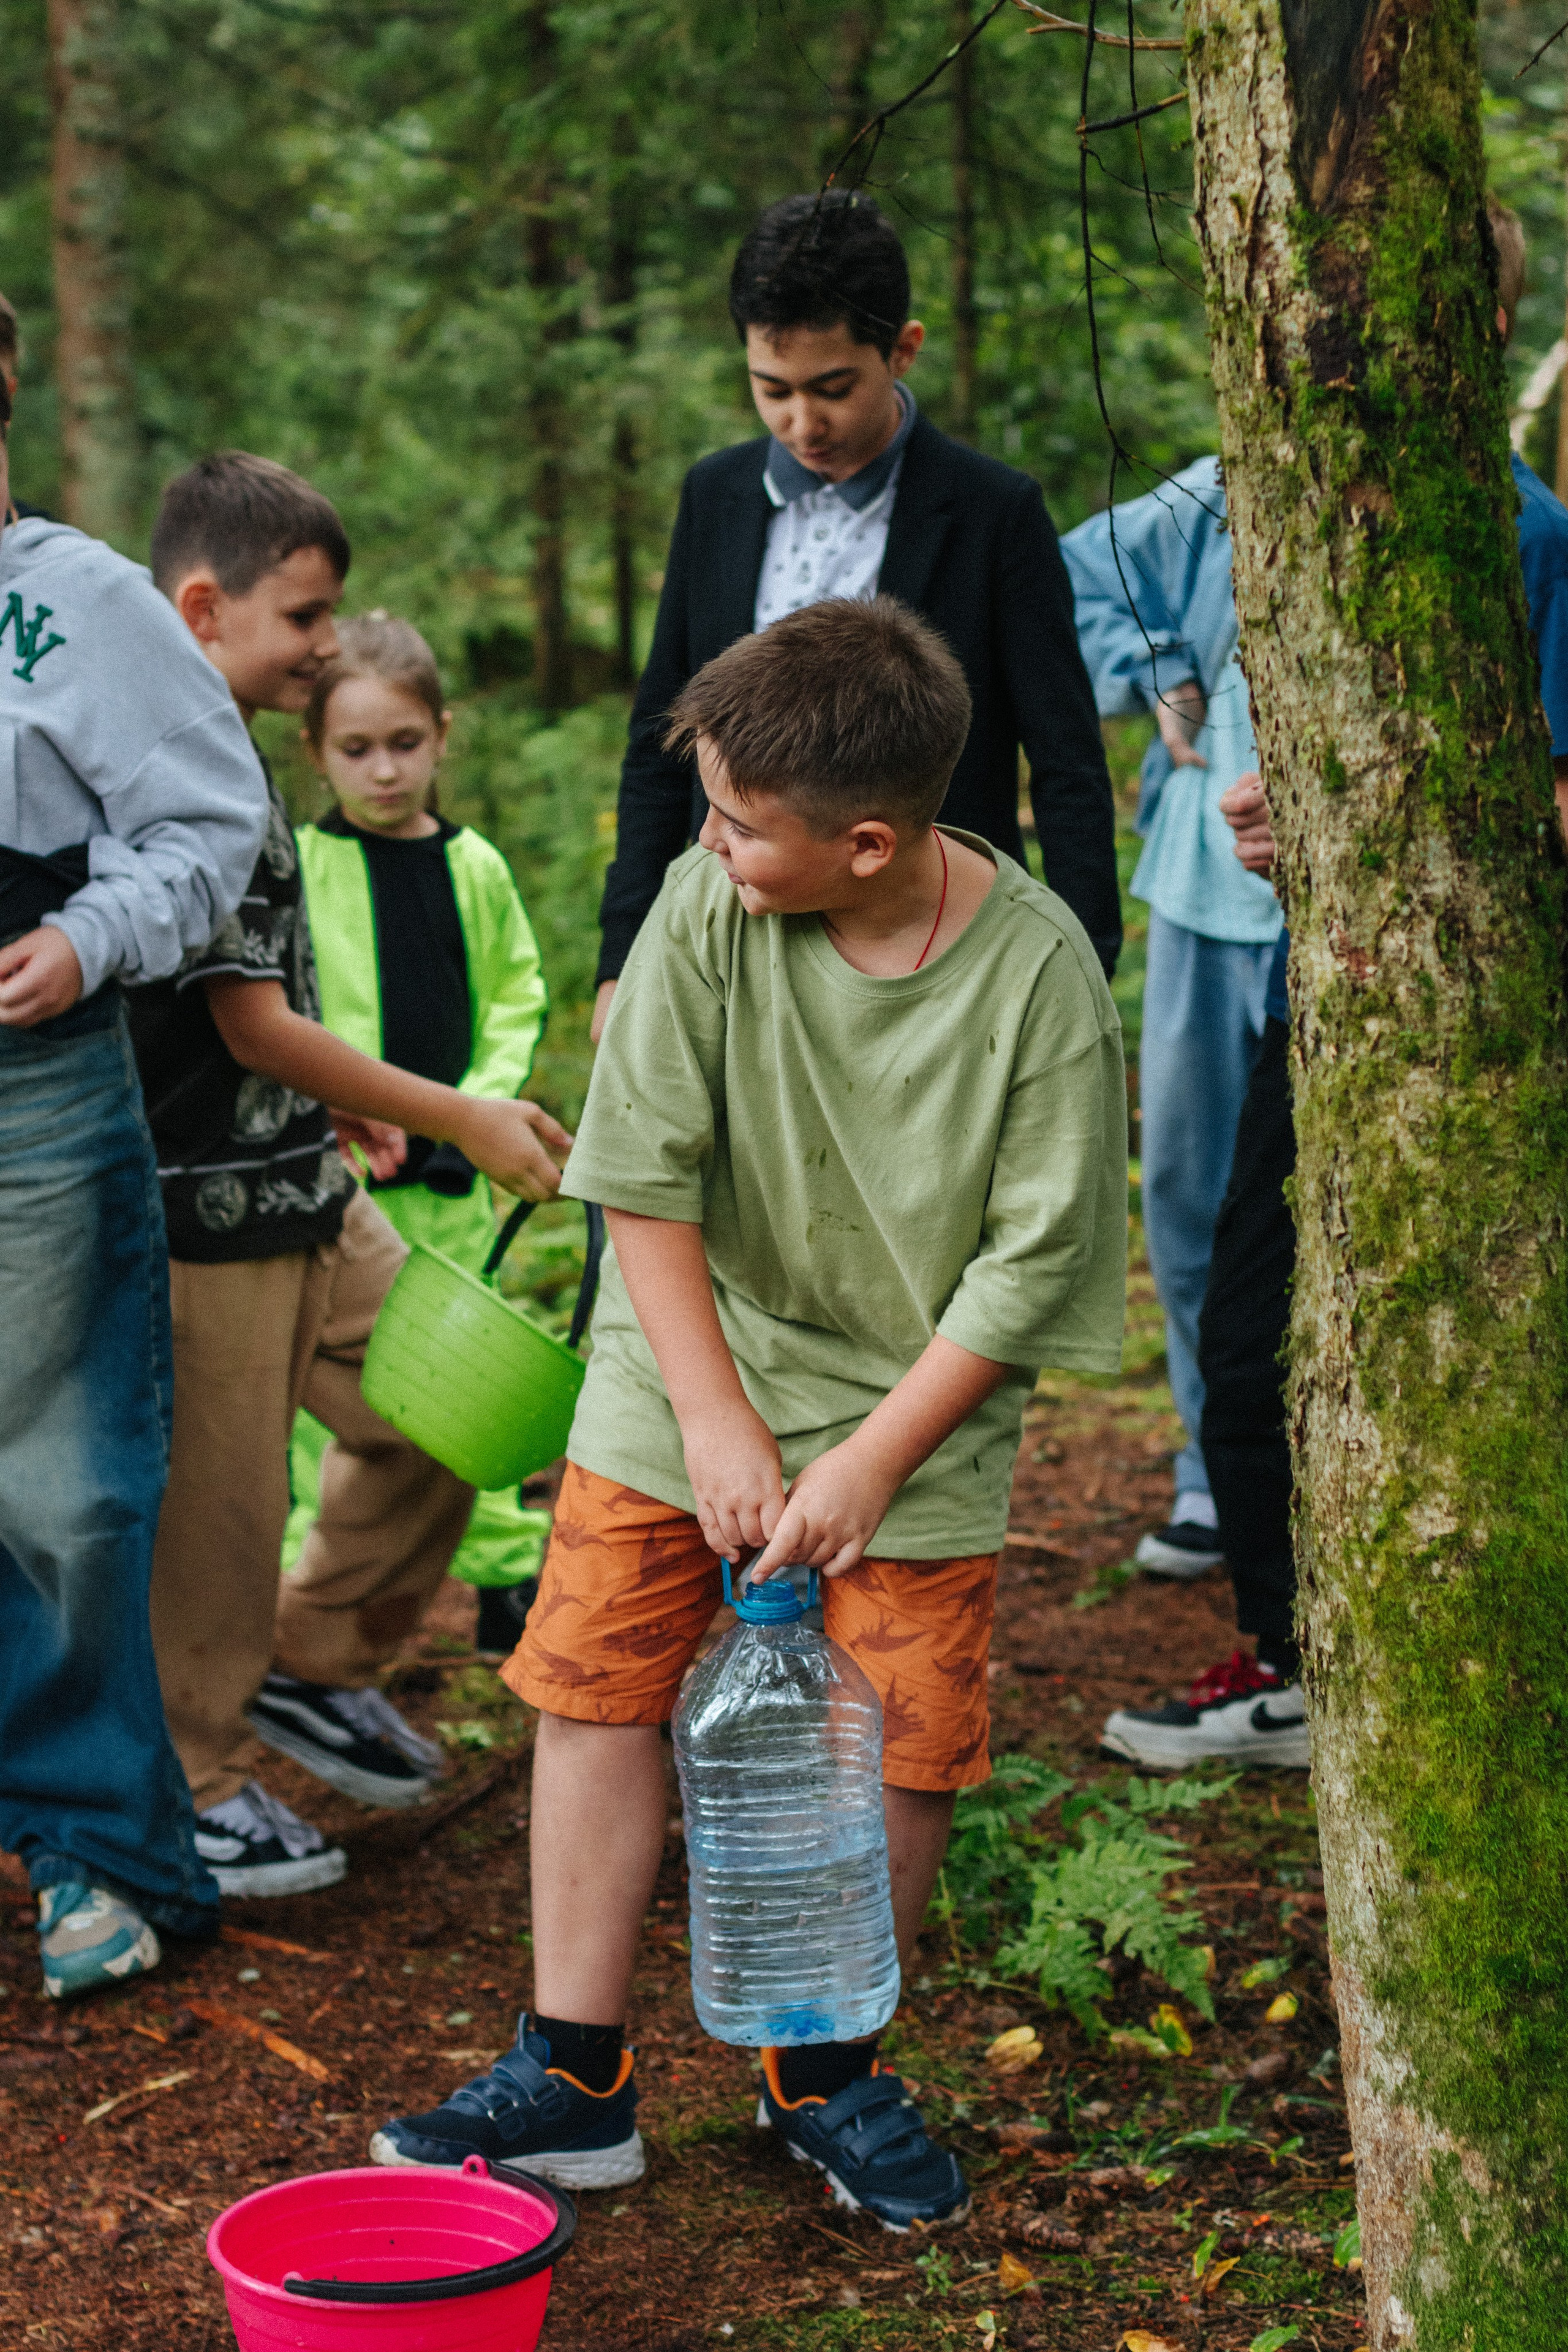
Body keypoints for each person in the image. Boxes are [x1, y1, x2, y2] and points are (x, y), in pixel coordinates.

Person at [371, 597, 1127, 2228]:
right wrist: (713, 1423)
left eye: (737, 825)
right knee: (593, 1668)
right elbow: (639, 1178)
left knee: (905, 1735)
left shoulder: (1039, 978)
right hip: (689, 1344)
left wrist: (867, 1461)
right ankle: (573, 2073)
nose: (706, 846)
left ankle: (826, 2068)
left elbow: (1034, 1265)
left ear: (869, 842)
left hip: (916, 1392)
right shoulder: (710, 913)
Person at [1101, 196, 1568, 1770]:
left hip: (1464, 1022)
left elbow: (1547, 795)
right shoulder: (1278, 505)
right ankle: (1288, 1652)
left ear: (1485, 326)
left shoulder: (1525, 538)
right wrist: (1268, 795)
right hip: (1313, 984)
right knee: (1244, 1325)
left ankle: (1377, 1668)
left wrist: (1357, 829)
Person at [132, 453, 572, 1896]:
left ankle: (306, 1661)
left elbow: (276, 1014)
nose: (328, 647)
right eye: (305, 618)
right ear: (205, 607)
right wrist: (462, 1112)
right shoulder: (164, 750)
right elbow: (241, 1019)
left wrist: (346, 1115)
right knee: (224, 1508)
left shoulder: (232, 739)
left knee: (457, 1419)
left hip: (313, 1182)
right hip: (212, 1213)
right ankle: (193, 1781)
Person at [592, 189, 1121, 1038]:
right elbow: (660, 742)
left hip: (931, 948)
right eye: (773, 390)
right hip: (737, 932)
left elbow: (1065, 762)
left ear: (902, 350)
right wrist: (622, 960)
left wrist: (1084, 965)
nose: (803, 423)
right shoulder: (716, 495)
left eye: (833, 388)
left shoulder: (995, 512)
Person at [0, 377, 268, 1996]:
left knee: (66, 1486)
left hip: (31, 1082)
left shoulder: (82, 605)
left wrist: (86, 938)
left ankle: (94, 1849)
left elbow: (208, 821)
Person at [285, 614, 553, 1652]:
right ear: (316, 752)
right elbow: (287, 1015)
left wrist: (481, 1103)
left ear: (442, 735)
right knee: (337, 1405)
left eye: (405, 744)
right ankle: (318, 1602)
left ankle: (499, 1579)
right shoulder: (303, 864)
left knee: (465, 1384)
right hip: (344, 1176)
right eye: (356, 751)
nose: (384, 771)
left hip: (452, 1183)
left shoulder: (473, 864)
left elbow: (518, 991)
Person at [1063, 462, 1283, 1580]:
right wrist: (1161, 669)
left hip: (1341, 918)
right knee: (1189, 1198)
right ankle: (1211, 1475)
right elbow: (1082, 562)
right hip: (1203, 889)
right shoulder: (1215, 490)